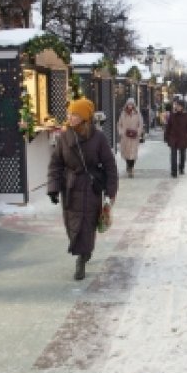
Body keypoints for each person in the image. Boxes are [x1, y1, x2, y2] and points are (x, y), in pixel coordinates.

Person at [48, 98, 119, 281]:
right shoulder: (64, 137)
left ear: (85, 117)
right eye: (70, 114)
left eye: (75, 114)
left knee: (86, 224)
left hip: (90, 187)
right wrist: (53, 188)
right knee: (71, 224)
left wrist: (111, 191)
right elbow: (56, 163)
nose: (70, 117)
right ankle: (84, 251)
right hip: (70, 188)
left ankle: (81, 258)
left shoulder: (98, 138)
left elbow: (110, 165)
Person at [164, 97, 187, 178]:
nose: (176, 107)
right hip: (173, 137)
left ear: (182, 107)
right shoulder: (172, 115)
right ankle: (174, 171)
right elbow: (168, 126)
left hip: (183, 137)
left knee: (182, 154)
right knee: (173, 155)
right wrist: (166, 136)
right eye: (176, 105)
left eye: (178, 105)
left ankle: (181, 167)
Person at [116, 97, 143, 178]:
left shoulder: (137, 114)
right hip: (125, 137)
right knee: (126, 153)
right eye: (129, 104)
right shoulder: (123, 114)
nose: (130, 106)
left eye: (131, 104)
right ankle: (128, 165)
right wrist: (121, 132)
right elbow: (119, 124)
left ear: (133, 105)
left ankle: (131, 168)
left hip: (134, 137)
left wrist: (138, 132)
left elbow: (140, 124)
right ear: (126, 105)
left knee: (133, 154)